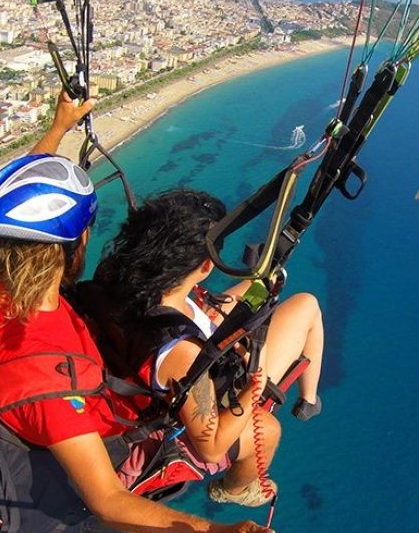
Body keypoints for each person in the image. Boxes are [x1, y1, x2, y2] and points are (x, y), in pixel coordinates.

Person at [0, 92, 281, 533]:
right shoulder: (45, 381)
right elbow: (108, 500)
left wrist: (58, 128)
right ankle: (238, 488)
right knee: (263, 429)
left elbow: (17, 206)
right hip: (67, 515)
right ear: (75, 242)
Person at [86, 188, 324, 508]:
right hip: (199, 395)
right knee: (270, 427)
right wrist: (256, 377)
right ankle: (236, 488)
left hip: (165, 341)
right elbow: (211, 446)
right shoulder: (182, 352)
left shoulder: (116, 273)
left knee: (265, 288)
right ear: (205, 266)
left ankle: (309, 400)